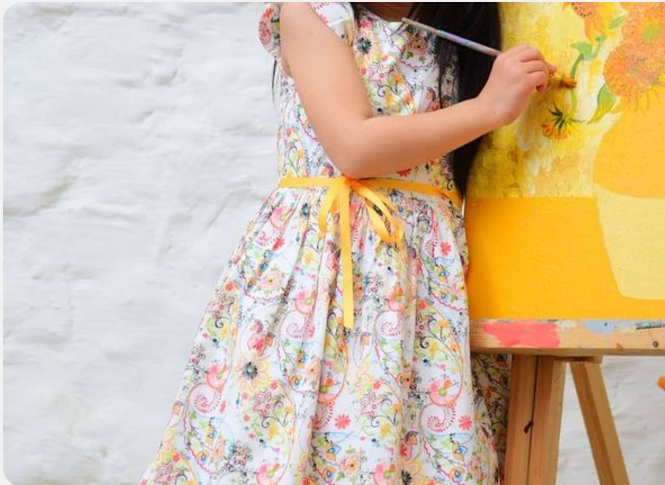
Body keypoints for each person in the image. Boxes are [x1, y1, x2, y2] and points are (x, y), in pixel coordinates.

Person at [138, 2, 555, 484]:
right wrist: (487, 108)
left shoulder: (462, 27)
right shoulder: (313, 12)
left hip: (425, 285)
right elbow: (354, 146)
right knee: (306, 433)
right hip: (324, 274)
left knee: (417, 442)